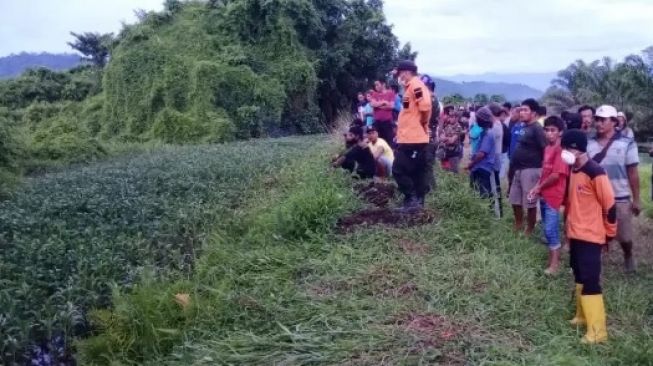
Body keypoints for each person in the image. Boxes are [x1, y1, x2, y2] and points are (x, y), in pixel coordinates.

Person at [561, 129, 616, 344]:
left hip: (591, 235)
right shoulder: (574, 170)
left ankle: (598, 332)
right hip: (575, 233)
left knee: (591, 279)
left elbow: (610, 206)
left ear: (577, 148)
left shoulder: (595, 172)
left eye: (567, 148)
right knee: (579, 275)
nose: (564, 151)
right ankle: (582, 316)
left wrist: (609, 234)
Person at [587, 105, 641, 273]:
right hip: (595, 196)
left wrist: (637, 199)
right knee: (595, 233)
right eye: (597, 119)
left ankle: (628, 254)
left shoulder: (627, 143)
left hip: (620, 196)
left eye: (603, 120)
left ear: (614, 122)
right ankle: (597, 262)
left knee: (624, 236)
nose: (599, 123)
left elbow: (633, 172)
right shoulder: (589, 143)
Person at [528, 116, 569, 275]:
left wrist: (538, 187)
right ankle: (552, 259)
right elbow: (545, 173)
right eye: (546, 130)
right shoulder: (547, 149)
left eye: (553, 130)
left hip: (554, 195)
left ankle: (555, 265)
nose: (549, 133)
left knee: (551, 229)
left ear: (560, 132)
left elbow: (555, 175)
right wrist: (537, 187)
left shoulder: (561, 151)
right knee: (547, 228)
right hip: (544, 193)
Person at [393, 60, 434, 212]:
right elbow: (408, 111)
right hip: (410, 137)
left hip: (413, 138)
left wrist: (423, 123)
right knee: (416, 171)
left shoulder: (416, 86)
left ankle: (411, 199)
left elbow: (425, 106)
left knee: (398, 169)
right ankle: (417, 204)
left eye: (400, 73)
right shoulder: (409, 87)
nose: (399, 76)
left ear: (406, 72)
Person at [509, 99, 546, 236]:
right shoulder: (524, 127)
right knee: (514, 199)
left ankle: (530, 228)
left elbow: (545, 149)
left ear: (534, 113)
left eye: (525, 110)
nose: (522, 113)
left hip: (531, 170)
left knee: (530, 202)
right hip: (518, 169)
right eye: (521, 110)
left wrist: (543, 171)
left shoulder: (537, 128)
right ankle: (518, 223)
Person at [466, 107, 499, 216]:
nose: (476, 120)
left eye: (477, 118)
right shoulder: (483, 132)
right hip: (479, 167)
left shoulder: (488, 134)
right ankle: (479, 214)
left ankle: (488, 215)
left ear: (482, 119)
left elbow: (482, 154)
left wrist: (470, 164)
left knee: (484, 193)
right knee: (477, 192)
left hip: (483, 168)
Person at [488, 103, 505, 217]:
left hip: (494, 158)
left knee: (494, 186)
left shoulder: (496, 126)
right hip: (495, 157)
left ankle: (497, 214)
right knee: (493, 185)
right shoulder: (496, 124)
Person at [371, 79, 396, 145]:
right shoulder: (374, 94)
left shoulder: (390, 93)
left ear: (383, 84)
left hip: (387, 122)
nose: (376, 86)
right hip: (377, 122)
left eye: (377, 84)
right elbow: (373, 104)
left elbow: (392, 106)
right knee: (378, 142)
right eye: (375, 85)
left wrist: (378, 105)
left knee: (389, 141)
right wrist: (384, 102)